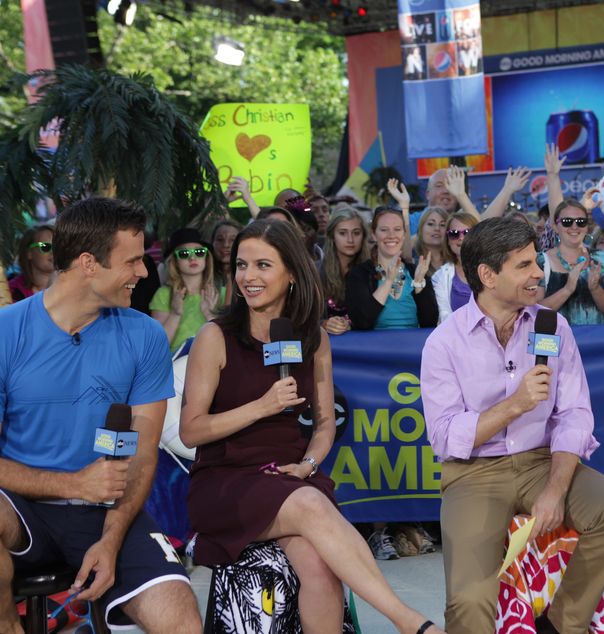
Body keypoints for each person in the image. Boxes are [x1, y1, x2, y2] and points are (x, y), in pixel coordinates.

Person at [180, 219, 445, 634]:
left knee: (320, 566)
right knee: (310, 504)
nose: (249, 277)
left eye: (263, 265)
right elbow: (191, 431)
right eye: (242, 265)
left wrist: (308, 463)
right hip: (226, 482)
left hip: (290, 476)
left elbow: (324, 425)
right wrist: (261, 407)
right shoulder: (216, 336)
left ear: (291, 274)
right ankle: (409, 621)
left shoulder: (313, 338)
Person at [420, 217, 604, 634]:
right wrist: (514, 404)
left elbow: (574, 413)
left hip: (543, 461)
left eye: (536, 261)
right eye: (524, 265)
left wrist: (556, 490)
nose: (539, 272)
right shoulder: (444, 342)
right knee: (468, 599)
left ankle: (562, 624)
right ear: (487, 275)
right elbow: (447, 437)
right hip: (474, 473)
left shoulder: (552, 325)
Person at [0, 197, 202, 632]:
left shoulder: (144, 334)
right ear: (89, 263)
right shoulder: (6, 331)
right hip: (19, 509)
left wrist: (110, 541)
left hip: (110, 510)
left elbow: (145, 452)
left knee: (179, 616)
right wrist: (72, 483)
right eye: (132, 261)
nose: (144, 273)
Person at [347, 208, 438, 330]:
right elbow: (361, 322)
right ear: (374, 234)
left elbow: (430, 323)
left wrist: (419, 283)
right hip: (373, 347)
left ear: (404, 234)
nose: (391, 235)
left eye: (397, 229)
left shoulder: (416, 272)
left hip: (412, 346)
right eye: (384, 230)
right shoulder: (359, 274)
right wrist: (388, 281)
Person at [539, 199, 604, 324]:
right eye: (567, 222)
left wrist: (596, 289)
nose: (574, 227)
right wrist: (567, 289)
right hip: (557, 342)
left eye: (581, 222)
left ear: (587, 227)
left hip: (598, 341)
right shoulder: (541, 262)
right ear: (555, 226)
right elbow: (533, 313)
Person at [151, 228, 224, 351]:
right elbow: (157, 346)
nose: (192, 258)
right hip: (176, 365)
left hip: (212, 362)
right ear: (175, 261)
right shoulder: (164, 294)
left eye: (199, 252)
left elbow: (229, 344)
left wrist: (210, 315)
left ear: (206, 257)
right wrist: (175, 314)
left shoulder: (221, 292)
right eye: (184, 254)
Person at [321, 207, 370, 335]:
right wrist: (324, 323)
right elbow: (300, 318)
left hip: (365, 345)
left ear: (363, 236)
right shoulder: (315, 271)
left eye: (356, 233)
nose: (350, 240)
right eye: (343, 233)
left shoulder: (373, 270)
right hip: (325, 346)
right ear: (332, 236)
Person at [431, 211, 479, 323]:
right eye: (454, 233)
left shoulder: (494, 269)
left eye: (467, 233)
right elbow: (444, 316)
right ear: (448, 240)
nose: (461, 238)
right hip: (456, 337)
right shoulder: (439, 277)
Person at [8, 224, 55, 301]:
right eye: (45, 246)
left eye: (58, 247)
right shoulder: (11, 292)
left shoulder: (73, 287)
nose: (53, 252)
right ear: (29, 253)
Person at [413, 206, 448, 277]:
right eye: (431, 224)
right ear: (421, 229)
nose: (437, 228)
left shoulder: (455, 260)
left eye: (442, 225)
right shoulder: (411, 260)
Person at [210, 219, 242, 288]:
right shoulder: (203, 275)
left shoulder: (247, 276)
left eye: (232, 240)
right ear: (212, 242)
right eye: (220, 239)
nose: (226, 245)